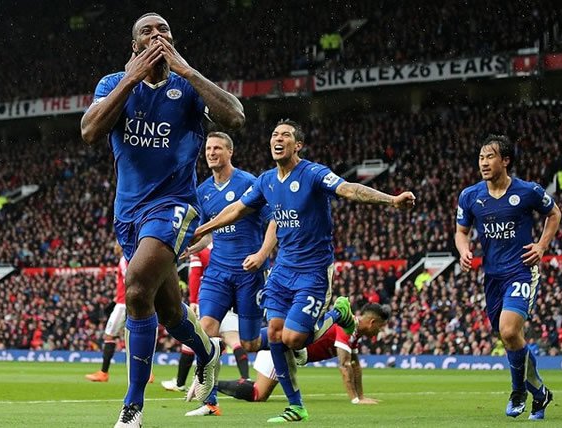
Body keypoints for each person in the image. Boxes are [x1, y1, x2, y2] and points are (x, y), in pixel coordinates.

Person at [80, 12, 245, 428]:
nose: (158, 36)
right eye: (147, 32)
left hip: (174, 205)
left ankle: (132, 406)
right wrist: (130, 80)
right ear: (134, 46)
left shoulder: (186, 88)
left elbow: (236, 117)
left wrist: (187, 71)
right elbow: (89, 132)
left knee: (135, 288)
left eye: (165, 30)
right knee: (169, 311)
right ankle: (208, 352)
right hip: (128, 214)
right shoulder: (112, 83)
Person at [192, 119, 415, 422]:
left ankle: (339, 313)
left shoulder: (312, 173)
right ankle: (296, 406)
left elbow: (348, 189)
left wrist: (390, 200)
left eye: (285, 135)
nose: (278, 139)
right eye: (274, 135)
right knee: (273, 333)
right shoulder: (266, 181)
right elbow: (235, 210)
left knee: (294, 339)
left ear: (298, 145)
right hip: (282, 269)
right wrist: (201, 230)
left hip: (312, 270)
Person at [455, 135, 561, 420]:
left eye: (490, 157)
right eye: (481, 157)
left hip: (521, 271)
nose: (484, 163)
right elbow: (461, 231)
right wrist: (464, 251)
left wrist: (541, 246)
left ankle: (518, 391)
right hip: (492, 277)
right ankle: (540, 395)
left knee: (510, 331)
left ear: (505, 160)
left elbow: (554, 213)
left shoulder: (528, 191)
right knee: (511, 339)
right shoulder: (470, 195)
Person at [181, 132, 277, 416]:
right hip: (218, 273)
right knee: (206, 328)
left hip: (248, 273)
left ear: (230, 152)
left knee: (250, 342)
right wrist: (188, 247)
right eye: (209, 148)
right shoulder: (203, 191)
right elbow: (207, 234)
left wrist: (261, 255)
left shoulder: (248, 183)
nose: (211, 152)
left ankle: (289, 335)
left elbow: (274, 222)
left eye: (218, 148)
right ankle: (209, 402)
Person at [218, 303, 389, 404]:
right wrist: (356, 400)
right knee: (258, 395)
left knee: (258, 393)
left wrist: (362, 396)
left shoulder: (355, 332)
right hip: (283, 347)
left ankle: (210, 383)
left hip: (290, 349)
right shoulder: (347, 327)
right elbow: (344, 366)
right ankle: (211, 384)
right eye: (380, 327)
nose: (379, 332)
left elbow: (355, 365)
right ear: (372, 322)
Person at [161, 246, 253, 399]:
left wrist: (193, 301)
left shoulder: (201, 251)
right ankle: (246, 377)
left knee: (192, 340)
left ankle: (181, 383)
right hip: (228, 299)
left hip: (208, 301)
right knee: (234, 340)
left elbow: (196, 275)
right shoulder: (230, 248)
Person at [85, 245, 154, 384]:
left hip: (124, 303)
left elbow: (129, 280)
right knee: (133, 337)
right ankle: (148, 374)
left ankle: (103, 373)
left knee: (110, 335)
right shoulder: (136, 257)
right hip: (130, 301)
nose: (115, 246)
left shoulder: (124, 259)